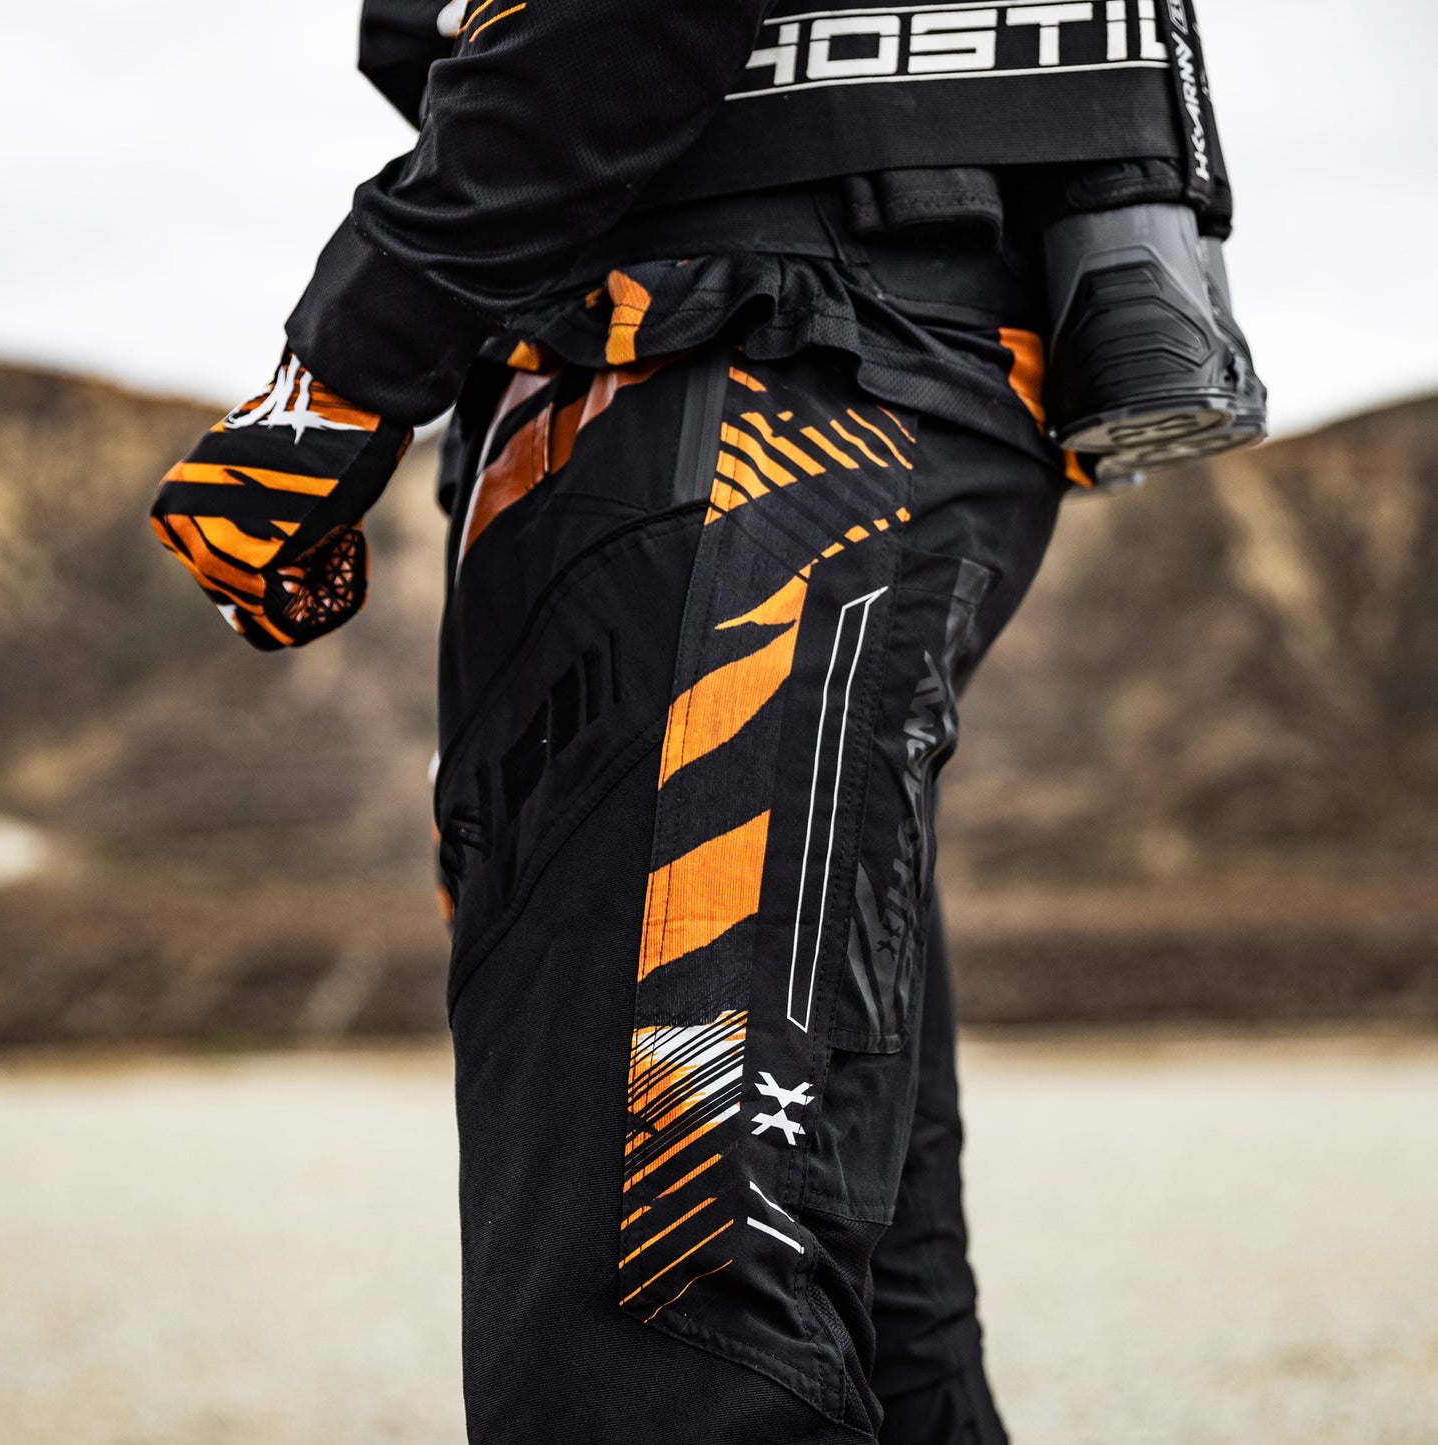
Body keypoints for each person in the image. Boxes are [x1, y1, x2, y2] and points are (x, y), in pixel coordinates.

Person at [149, 2, 1252, 1439]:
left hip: (756, 379)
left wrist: (344, 366)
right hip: (811, 374)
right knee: (856, 1306)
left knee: (665, 1308)